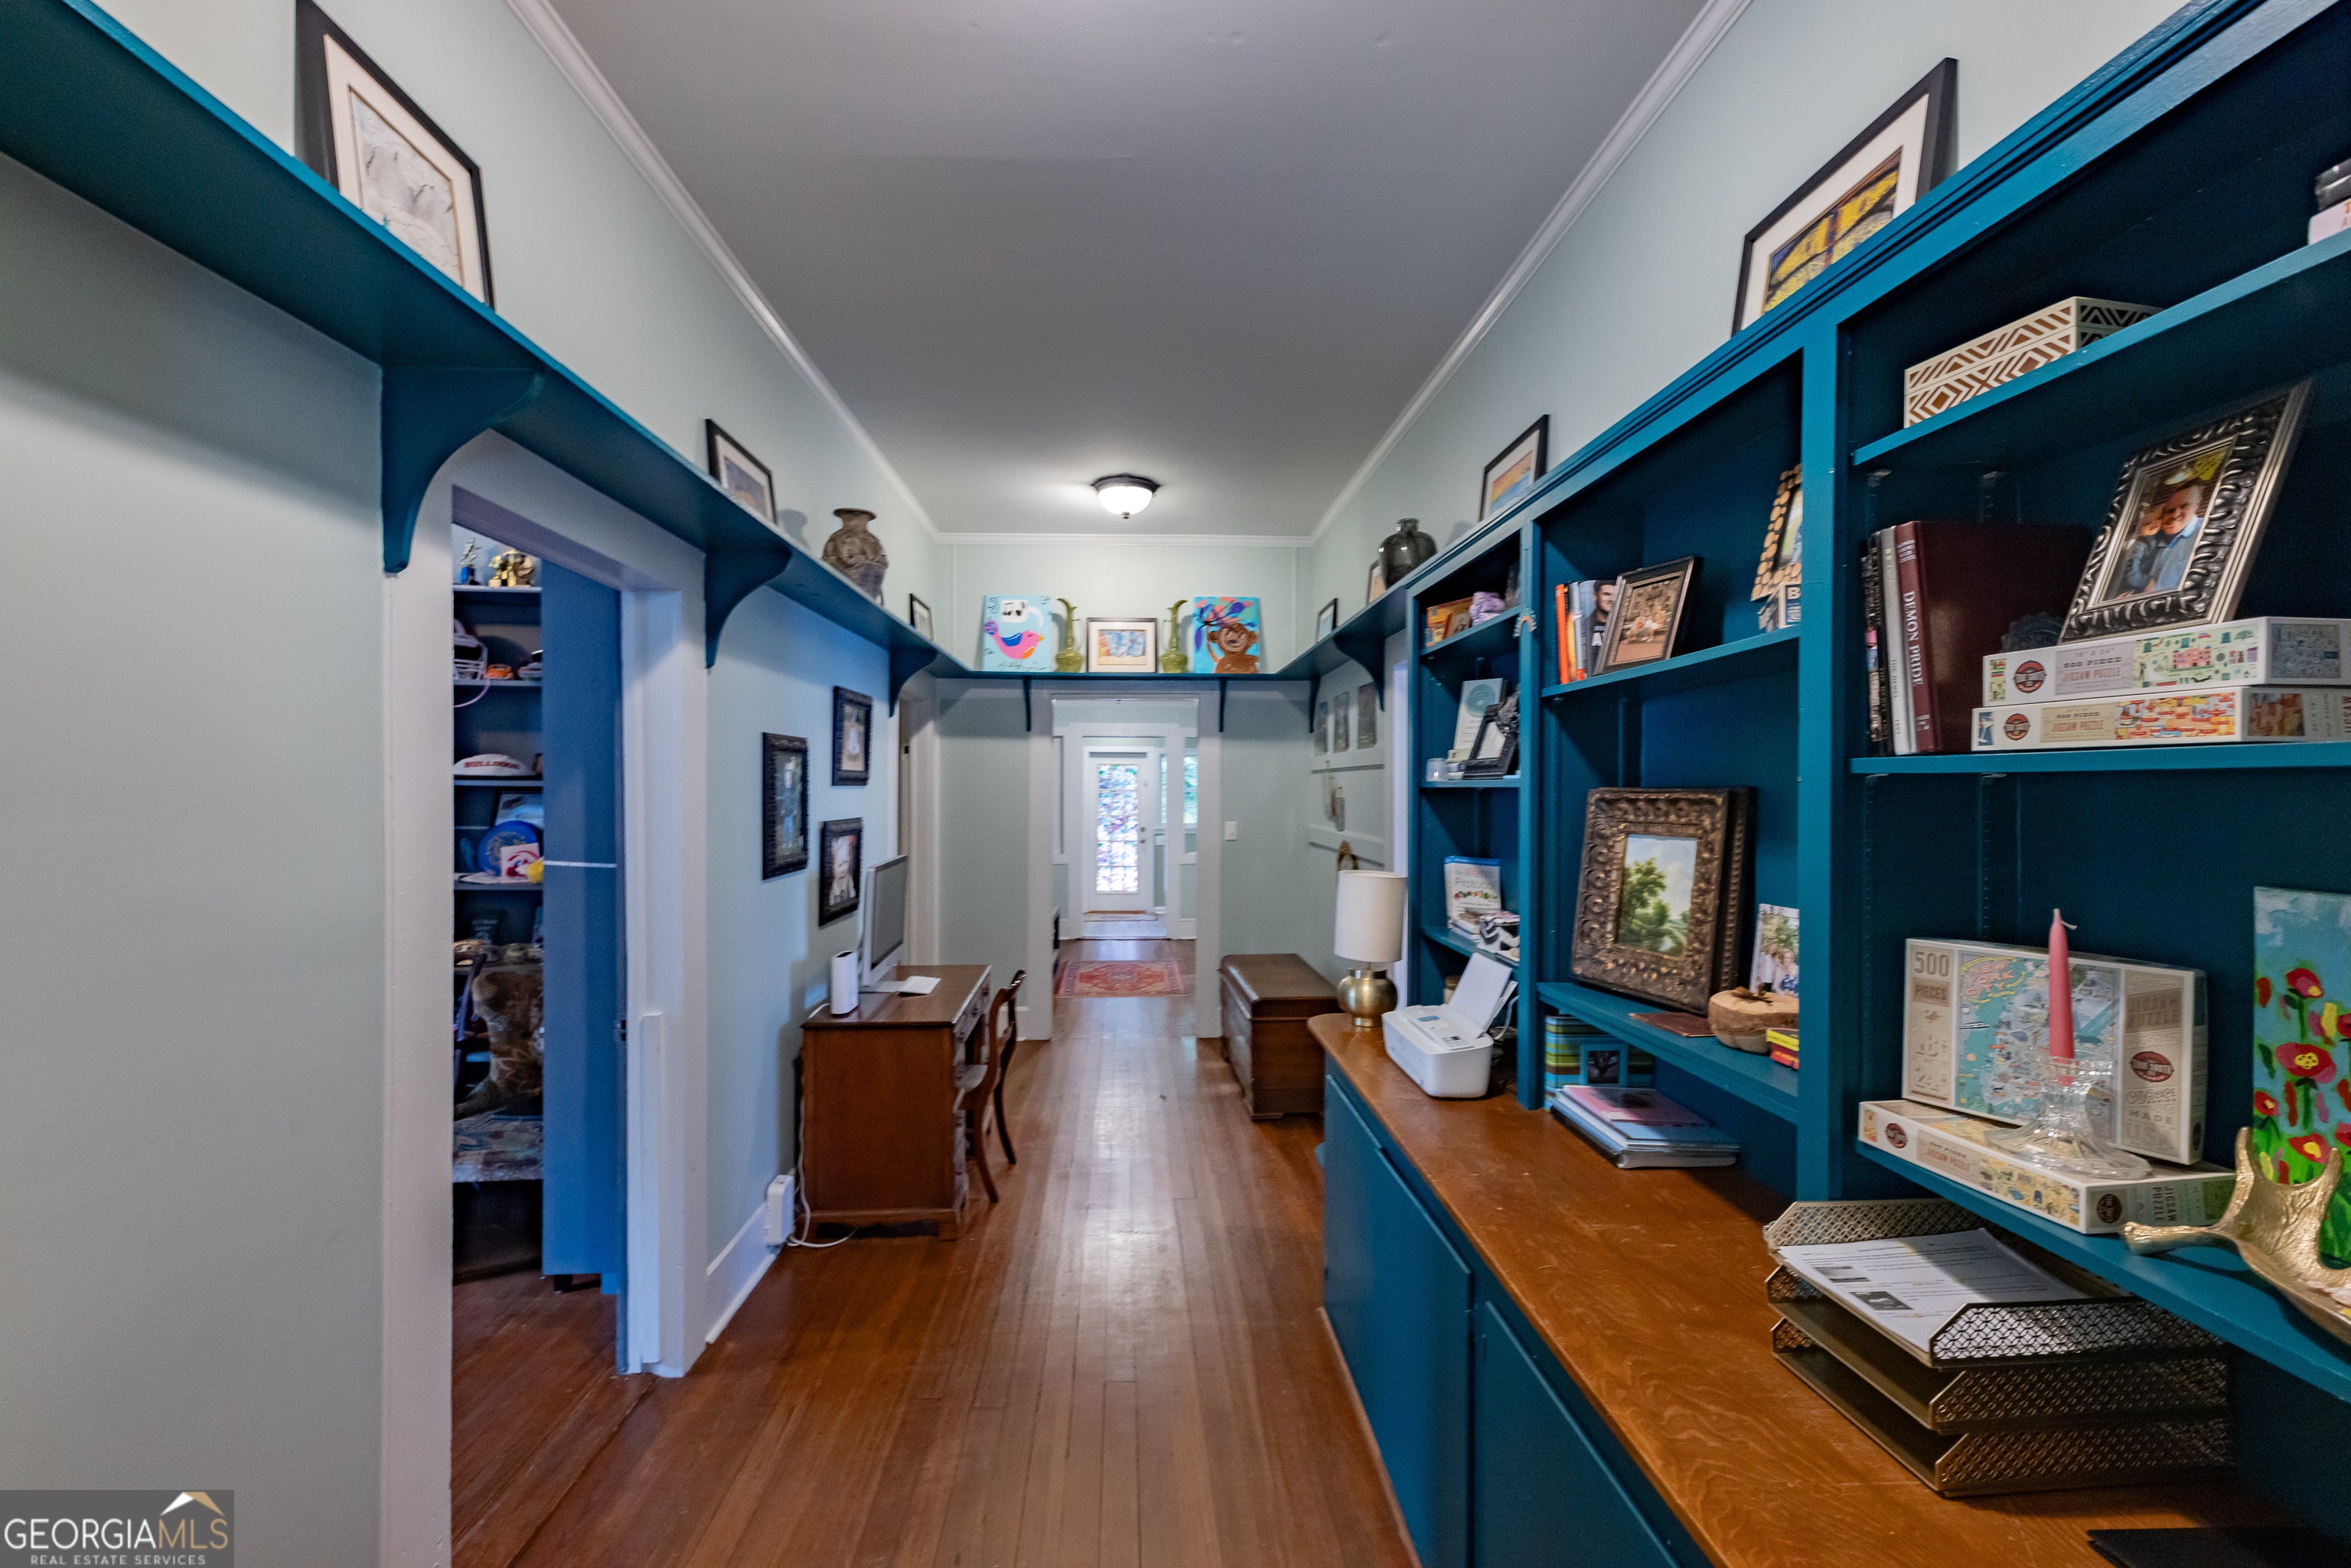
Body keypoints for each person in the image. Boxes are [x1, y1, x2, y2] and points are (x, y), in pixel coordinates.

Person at [2108, 468, 2206, 599]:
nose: (2175, 515)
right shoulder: (2155, 542)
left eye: (2184, 507)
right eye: (2169, 511)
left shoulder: (2204, 534)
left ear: (2197, 506)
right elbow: (2132, 574)